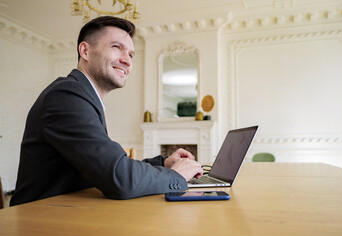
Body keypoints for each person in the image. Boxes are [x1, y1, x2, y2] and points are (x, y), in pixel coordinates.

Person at [10, 16, 203, 206]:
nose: (127, 61)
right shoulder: (66, 95)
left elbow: (109, 165)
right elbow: (120, 177)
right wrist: (175, 175)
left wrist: (164, 164)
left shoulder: (83, 96)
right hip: (37, 221)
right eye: (116, 47)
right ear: (85, 51)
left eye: (131, 54)